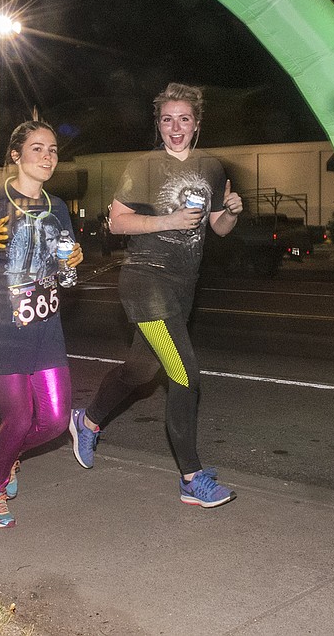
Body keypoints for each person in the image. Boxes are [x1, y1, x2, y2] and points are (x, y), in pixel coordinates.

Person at [68, 83, 244, 508]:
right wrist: (169, 220)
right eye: (167, 119)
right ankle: (191, 478)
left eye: (184, 119)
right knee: (184, 374)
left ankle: (87, 421)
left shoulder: (212, 167)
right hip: (145, 283)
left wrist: (233, 212)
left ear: (197, 124)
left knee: (141, 373)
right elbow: (118, 223)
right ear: (159, 124)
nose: (175, 127)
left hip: (184, 288)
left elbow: (217, 227)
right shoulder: (144, 165)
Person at [0, 120, 83, 528]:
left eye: (53, 150)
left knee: (57, 420)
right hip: (1, 328)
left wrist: (72, 264)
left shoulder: (58, 207)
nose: (47, 157)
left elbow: (64, 275)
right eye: (37, 149)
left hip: (46, 327)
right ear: (16, 155)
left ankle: (2, 447)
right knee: (22, 418)